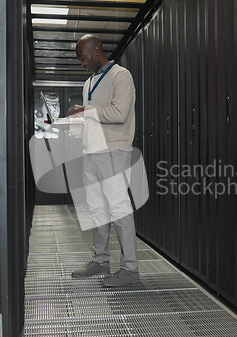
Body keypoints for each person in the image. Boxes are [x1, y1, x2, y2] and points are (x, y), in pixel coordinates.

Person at [68, 34, 139, 287]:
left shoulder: (121, 76)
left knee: (119, 208)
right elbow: (93, 118)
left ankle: (130, 268)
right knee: (97, 209)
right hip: (91, 152)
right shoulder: (88, 83)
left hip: (113, 151)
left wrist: (85, 112)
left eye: (83, 57)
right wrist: (75, 123)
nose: (81, 63)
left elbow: (119, 113)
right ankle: (101, 261)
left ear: (96, 50)